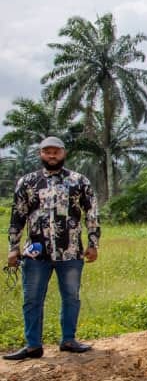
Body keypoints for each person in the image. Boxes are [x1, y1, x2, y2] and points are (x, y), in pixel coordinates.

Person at [4, 137, 99, 360]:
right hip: (36, 252)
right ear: (40, 154)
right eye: (47, 152)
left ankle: (68, 340)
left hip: (71, 251)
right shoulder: (27, 182)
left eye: (56, 151)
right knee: (32, 298)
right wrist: (13, 247)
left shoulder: (78, 181)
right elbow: (17, 216)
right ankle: (33, 345)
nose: (52, 155)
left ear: (63, 153)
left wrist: (94, 243)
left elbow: (92, 213)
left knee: (71, 297)